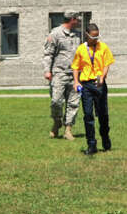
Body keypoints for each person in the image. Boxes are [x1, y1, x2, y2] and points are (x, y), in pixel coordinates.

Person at [71, 22, 114, 154]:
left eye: (97, 37)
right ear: (87, 35)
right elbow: (76, 67)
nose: (96, 39)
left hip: (99, 84)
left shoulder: (103, 47)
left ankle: (105, 140)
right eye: (93, 37)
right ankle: (91, 145)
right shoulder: (80, 49)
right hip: (87, 85)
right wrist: (76, 82)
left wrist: (103, 77)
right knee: (88, 115)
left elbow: (106, 64)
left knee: (102, 114)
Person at [44, 11, 82, 139]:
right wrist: (47, 71)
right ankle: (56, 122)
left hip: (76, 75)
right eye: (77, 19)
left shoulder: (78, 35)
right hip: (59, 73)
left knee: (74, 103)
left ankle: (68, 129)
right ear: (72, 19)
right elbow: (48, 54)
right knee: (56, 101)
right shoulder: (55, 33)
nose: (79, 21)